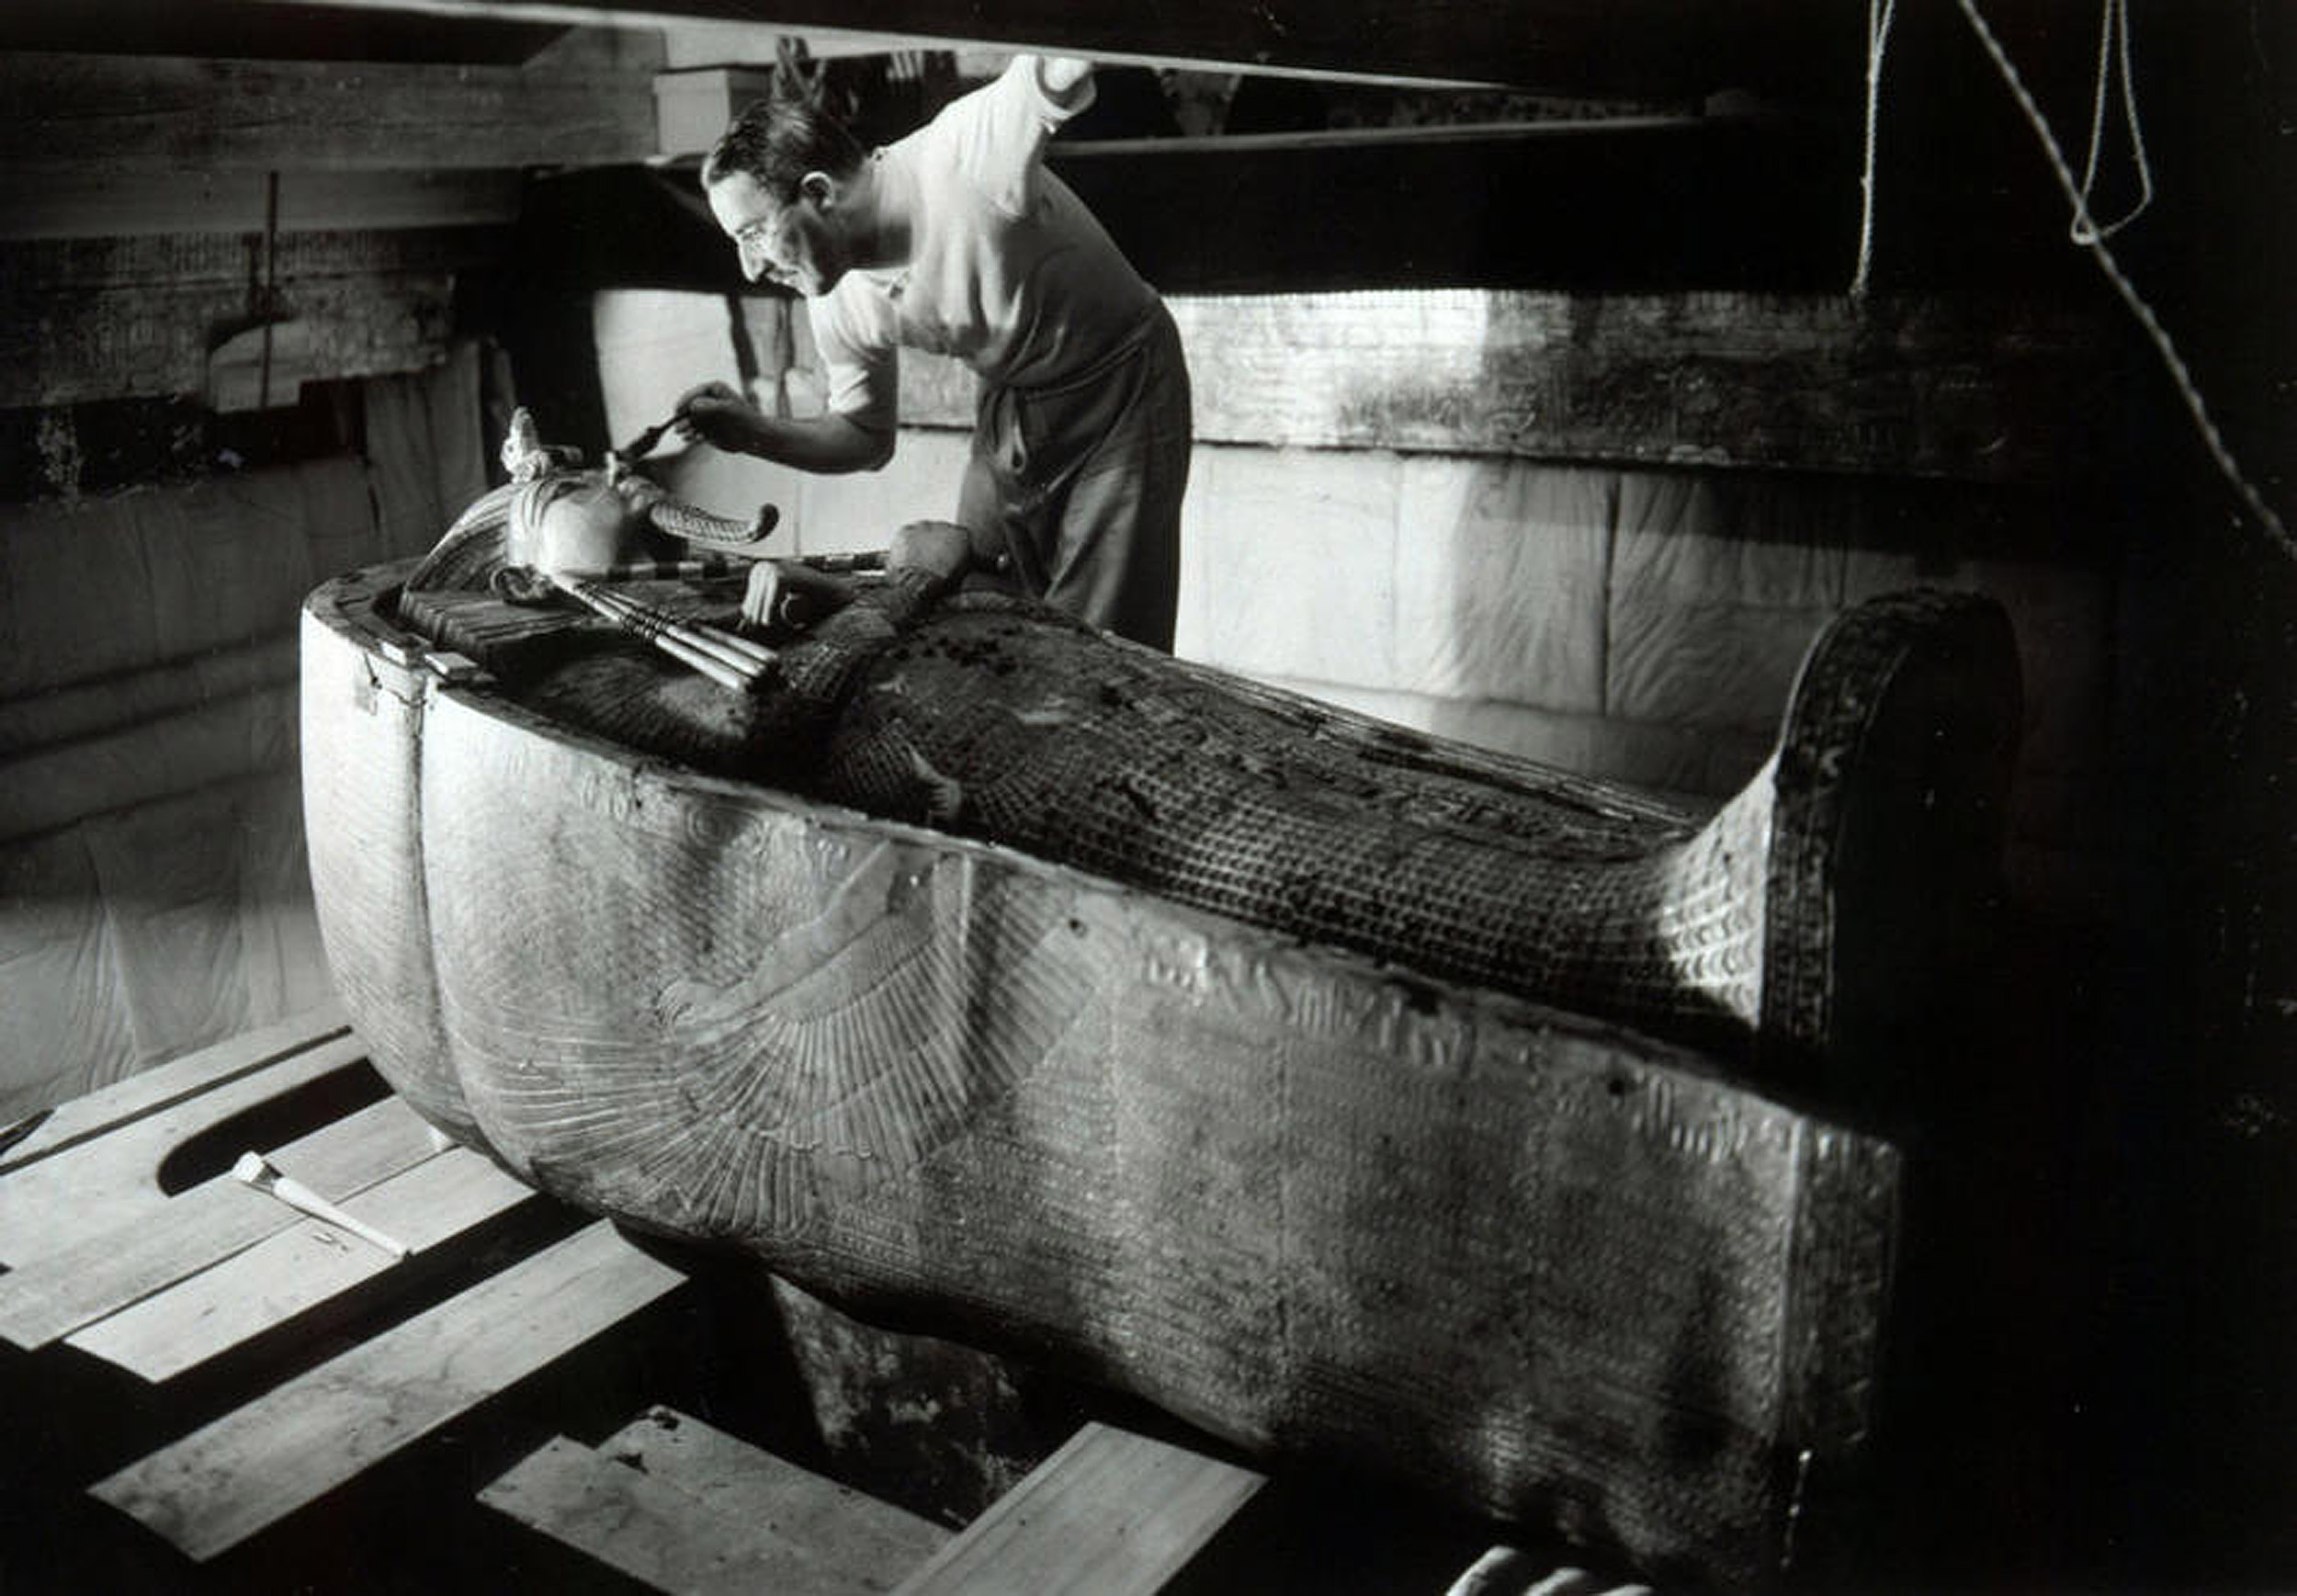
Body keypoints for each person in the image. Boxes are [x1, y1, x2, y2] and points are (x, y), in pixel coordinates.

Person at [678, 53, 1192, 652]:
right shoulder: (835, 295)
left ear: (817, 193)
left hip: (1123, 385)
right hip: (1012, 399)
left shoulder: (962, 152)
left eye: (753, 233)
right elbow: (866, 436)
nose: (751, 265)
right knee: (969, 603)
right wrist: (752, 431)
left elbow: (1063, 61)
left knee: (1102, 647)